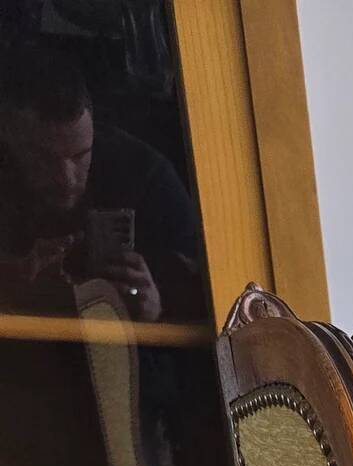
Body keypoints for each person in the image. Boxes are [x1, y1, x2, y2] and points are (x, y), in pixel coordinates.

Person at [0, 37, 202, 323]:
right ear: (7, 135)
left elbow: (216, 299)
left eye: (81, 155)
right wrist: (10, 282)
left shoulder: (145, 176)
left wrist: (158, 307)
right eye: (44, 159)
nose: (66, 178)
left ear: (94, 130)